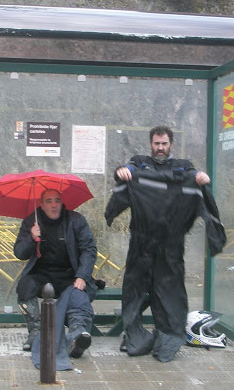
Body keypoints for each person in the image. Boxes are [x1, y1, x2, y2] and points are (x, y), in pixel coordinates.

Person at [109, 125, 219, 362]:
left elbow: (197, 176)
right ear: (151, 144)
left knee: (169, 292)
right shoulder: (140, 163)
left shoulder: (183, 167)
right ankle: (133, 335)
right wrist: (121, 171)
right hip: (141, 242)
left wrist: (202, 178)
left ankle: (166, 338)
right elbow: (127, 169)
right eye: (157, 143)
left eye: (164, 144)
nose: (160, 148)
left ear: (171, 145)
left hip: (170, 246)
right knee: (134, 290)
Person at [13, 189, 98, 359]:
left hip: (70, 275)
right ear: (42, 205)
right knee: (25, 286)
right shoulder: (31, 221)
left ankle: (77, 336)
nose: (54, 205)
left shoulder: (76, 220)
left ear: (62, 203)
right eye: (49, 201)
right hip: (41, 275)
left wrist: (82, 276)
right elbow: (19, 253)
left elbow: (89, 249)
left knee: (79, 295)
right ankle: (36, 333)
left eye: (57, 200)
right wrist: (31, 238)